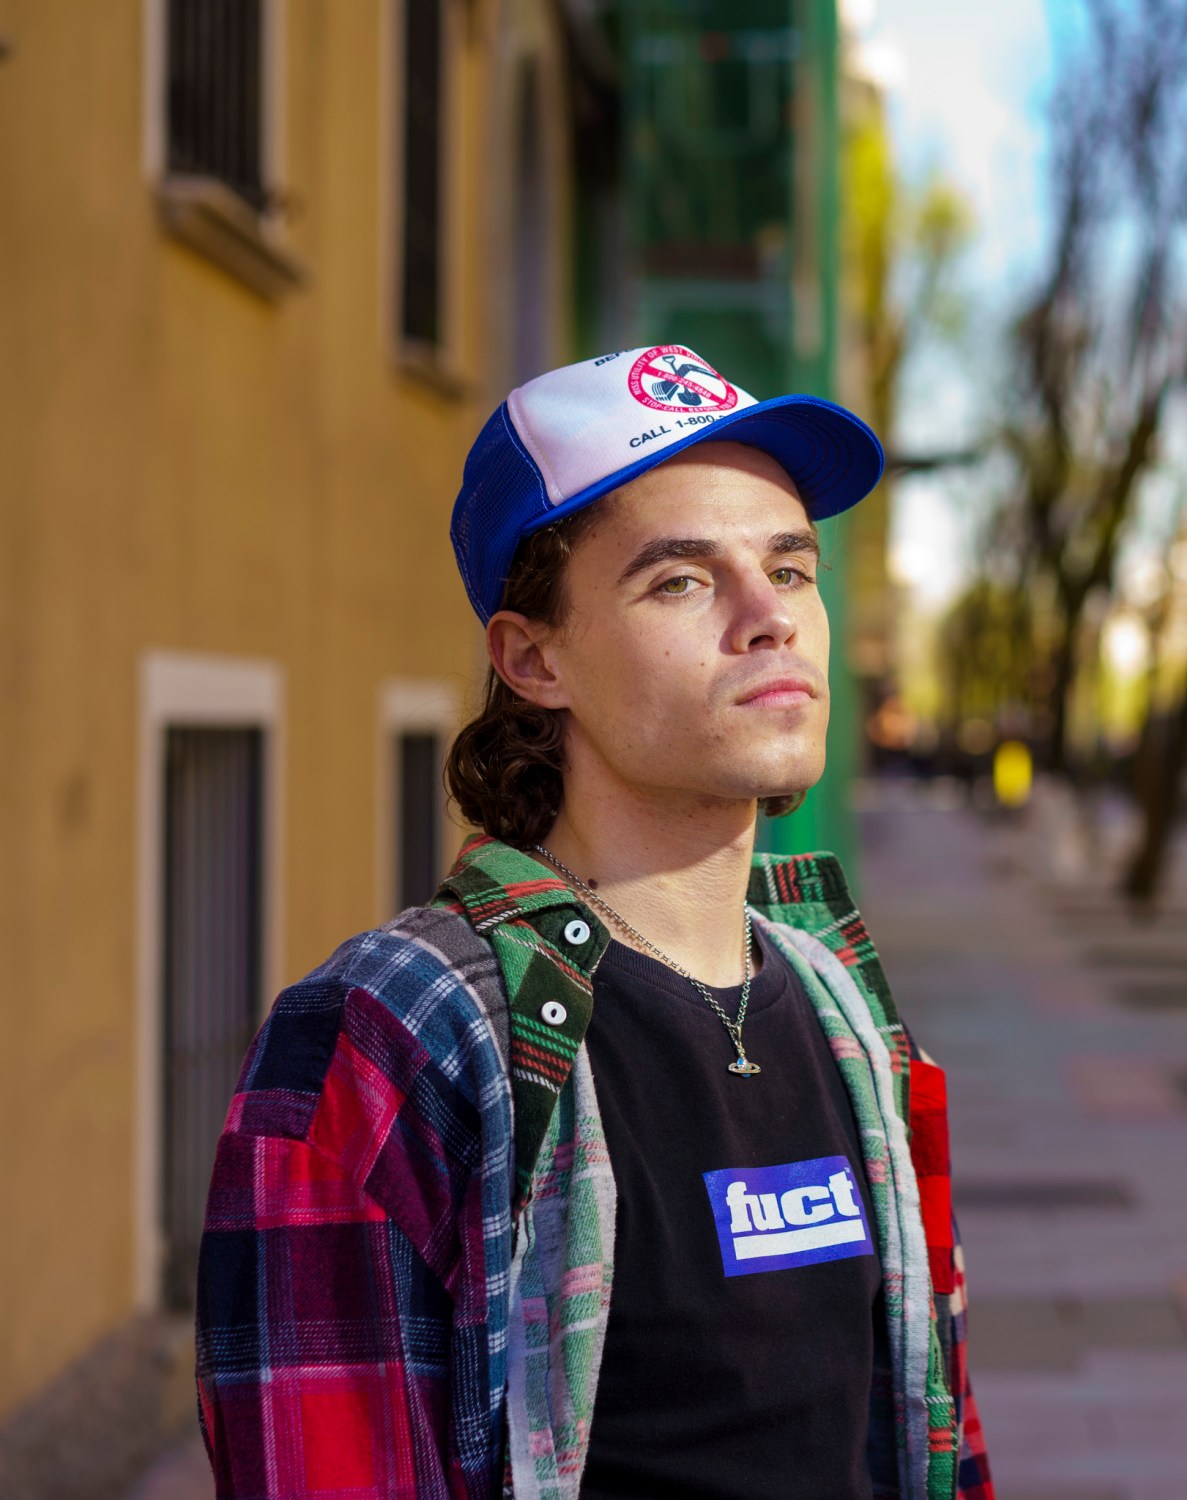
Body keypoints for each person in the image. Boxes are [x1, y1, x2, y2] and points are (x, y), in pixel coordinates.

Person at [192, 344, 990, 1500]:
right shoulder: (390, 1035)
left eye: (789, 567)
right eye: (681, 581)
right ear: (532, 658)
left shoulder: (841, 1000)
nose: (769, 618)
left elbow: (934, 1430)